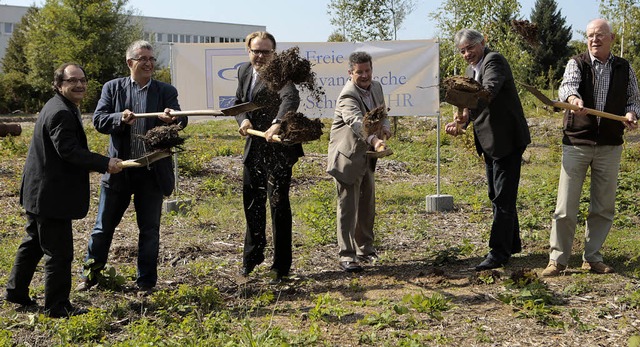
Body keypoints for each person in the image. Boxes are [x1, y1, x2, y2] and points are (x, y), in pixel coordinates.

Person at [4, 63, 122, 317]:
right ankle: (57, 307)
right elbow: (68, 151)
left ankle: (15, 291)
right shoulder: (61, 112)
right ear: (59, 85)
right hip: (50, 195)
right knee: (59, 254)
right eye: (72, 81)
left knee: (34, 242)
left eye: (83, 80)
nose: (79, 85)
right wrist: (105, 163)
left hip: (38, 191)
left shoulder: (58, 105)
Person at [80, 40, 187, 291]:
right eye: (143, 59)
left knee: (149, 231)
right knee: (102, 227)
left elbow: (182, 121)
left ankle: (146, 282)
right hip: (119, 169)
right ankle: (91, 275)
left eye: (152, 59)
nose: (149, 63)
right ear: (130, 63)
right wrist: (120, 118)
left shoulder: (165, 91)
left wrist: (173, 119)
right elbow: (99, 120)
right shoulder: (112, 88)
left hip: (151, 172)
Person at [542, 19, 639, 276]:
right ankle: (558, 260)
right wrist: (574, 99)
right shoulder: (577, 63)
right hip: (577, 143)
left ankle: (593, 257)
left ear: (612, 38)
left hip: (610, 145)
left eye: (599, 35)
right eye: (590, 36)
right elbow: (567, 86)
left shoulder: (624, 67)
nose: (594, 40)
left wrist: (631, 114)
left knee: (604, 206)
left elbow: (633, 100)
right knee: (565, 206)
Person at [445, 29, 531, 271]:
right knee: (497, 195)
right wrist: (461, 121)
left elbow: (488, 92)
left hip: (507, 140)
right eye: (462, 51)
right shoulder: (470, 71)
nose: (466, 54)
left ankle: (498, 253)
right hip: (490, 142)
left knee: (502, 197)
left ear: (483, 43)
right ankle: (511, 244)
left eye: (470, 48)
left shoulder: (494, 61)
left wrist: (464, 109)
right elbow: (471, 106)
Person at [235, 31, 302, 283]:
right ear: (248, 51)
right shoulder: (243, 71)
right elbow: (239, 101)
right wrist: (244, 119)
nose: (261, 56)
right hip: (254, 148)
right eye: (256, 51)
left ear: (274, 53)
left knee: (278, 206)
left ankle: (281, 266)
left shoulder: (280, 74)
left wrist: (277, 122)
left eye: (266, 51)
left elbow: (290, 98)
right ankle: (251, 259)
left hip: (278, 149)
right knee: (252, 204)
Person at [326, 52, 390, 273]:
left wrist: (386, 128)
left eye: (367, 71)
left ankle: (365, 250)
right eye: (359, 72)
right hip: (348, 158)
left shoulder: (377, 87)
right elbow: (355, 122)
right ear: (350, 73)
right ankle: (347, 255)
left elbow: (382, 112)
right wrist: (374, 139)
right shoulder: (348, 96)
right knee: (348, 208)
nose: (364, 75)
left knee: (366, 206)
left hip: (367, 156)